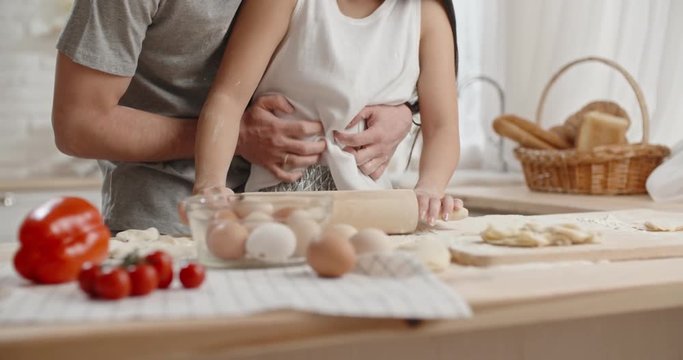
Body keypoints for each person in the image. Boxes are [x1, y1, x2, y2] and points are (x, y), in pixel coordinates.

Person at [51, 0, 417, 235]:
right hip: (171, 224)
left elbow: (362, 42)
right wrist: (240, 138)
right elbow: (78, 125)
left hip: (286, 223)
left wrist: (405, 109)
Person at [193, 0, 461, 225]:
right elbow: (227, 98)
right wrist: (210, 183)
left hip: (374, 213)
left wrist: (431, 187)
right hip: (275, 211)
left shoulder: (427, 15)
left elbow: (442, 127)